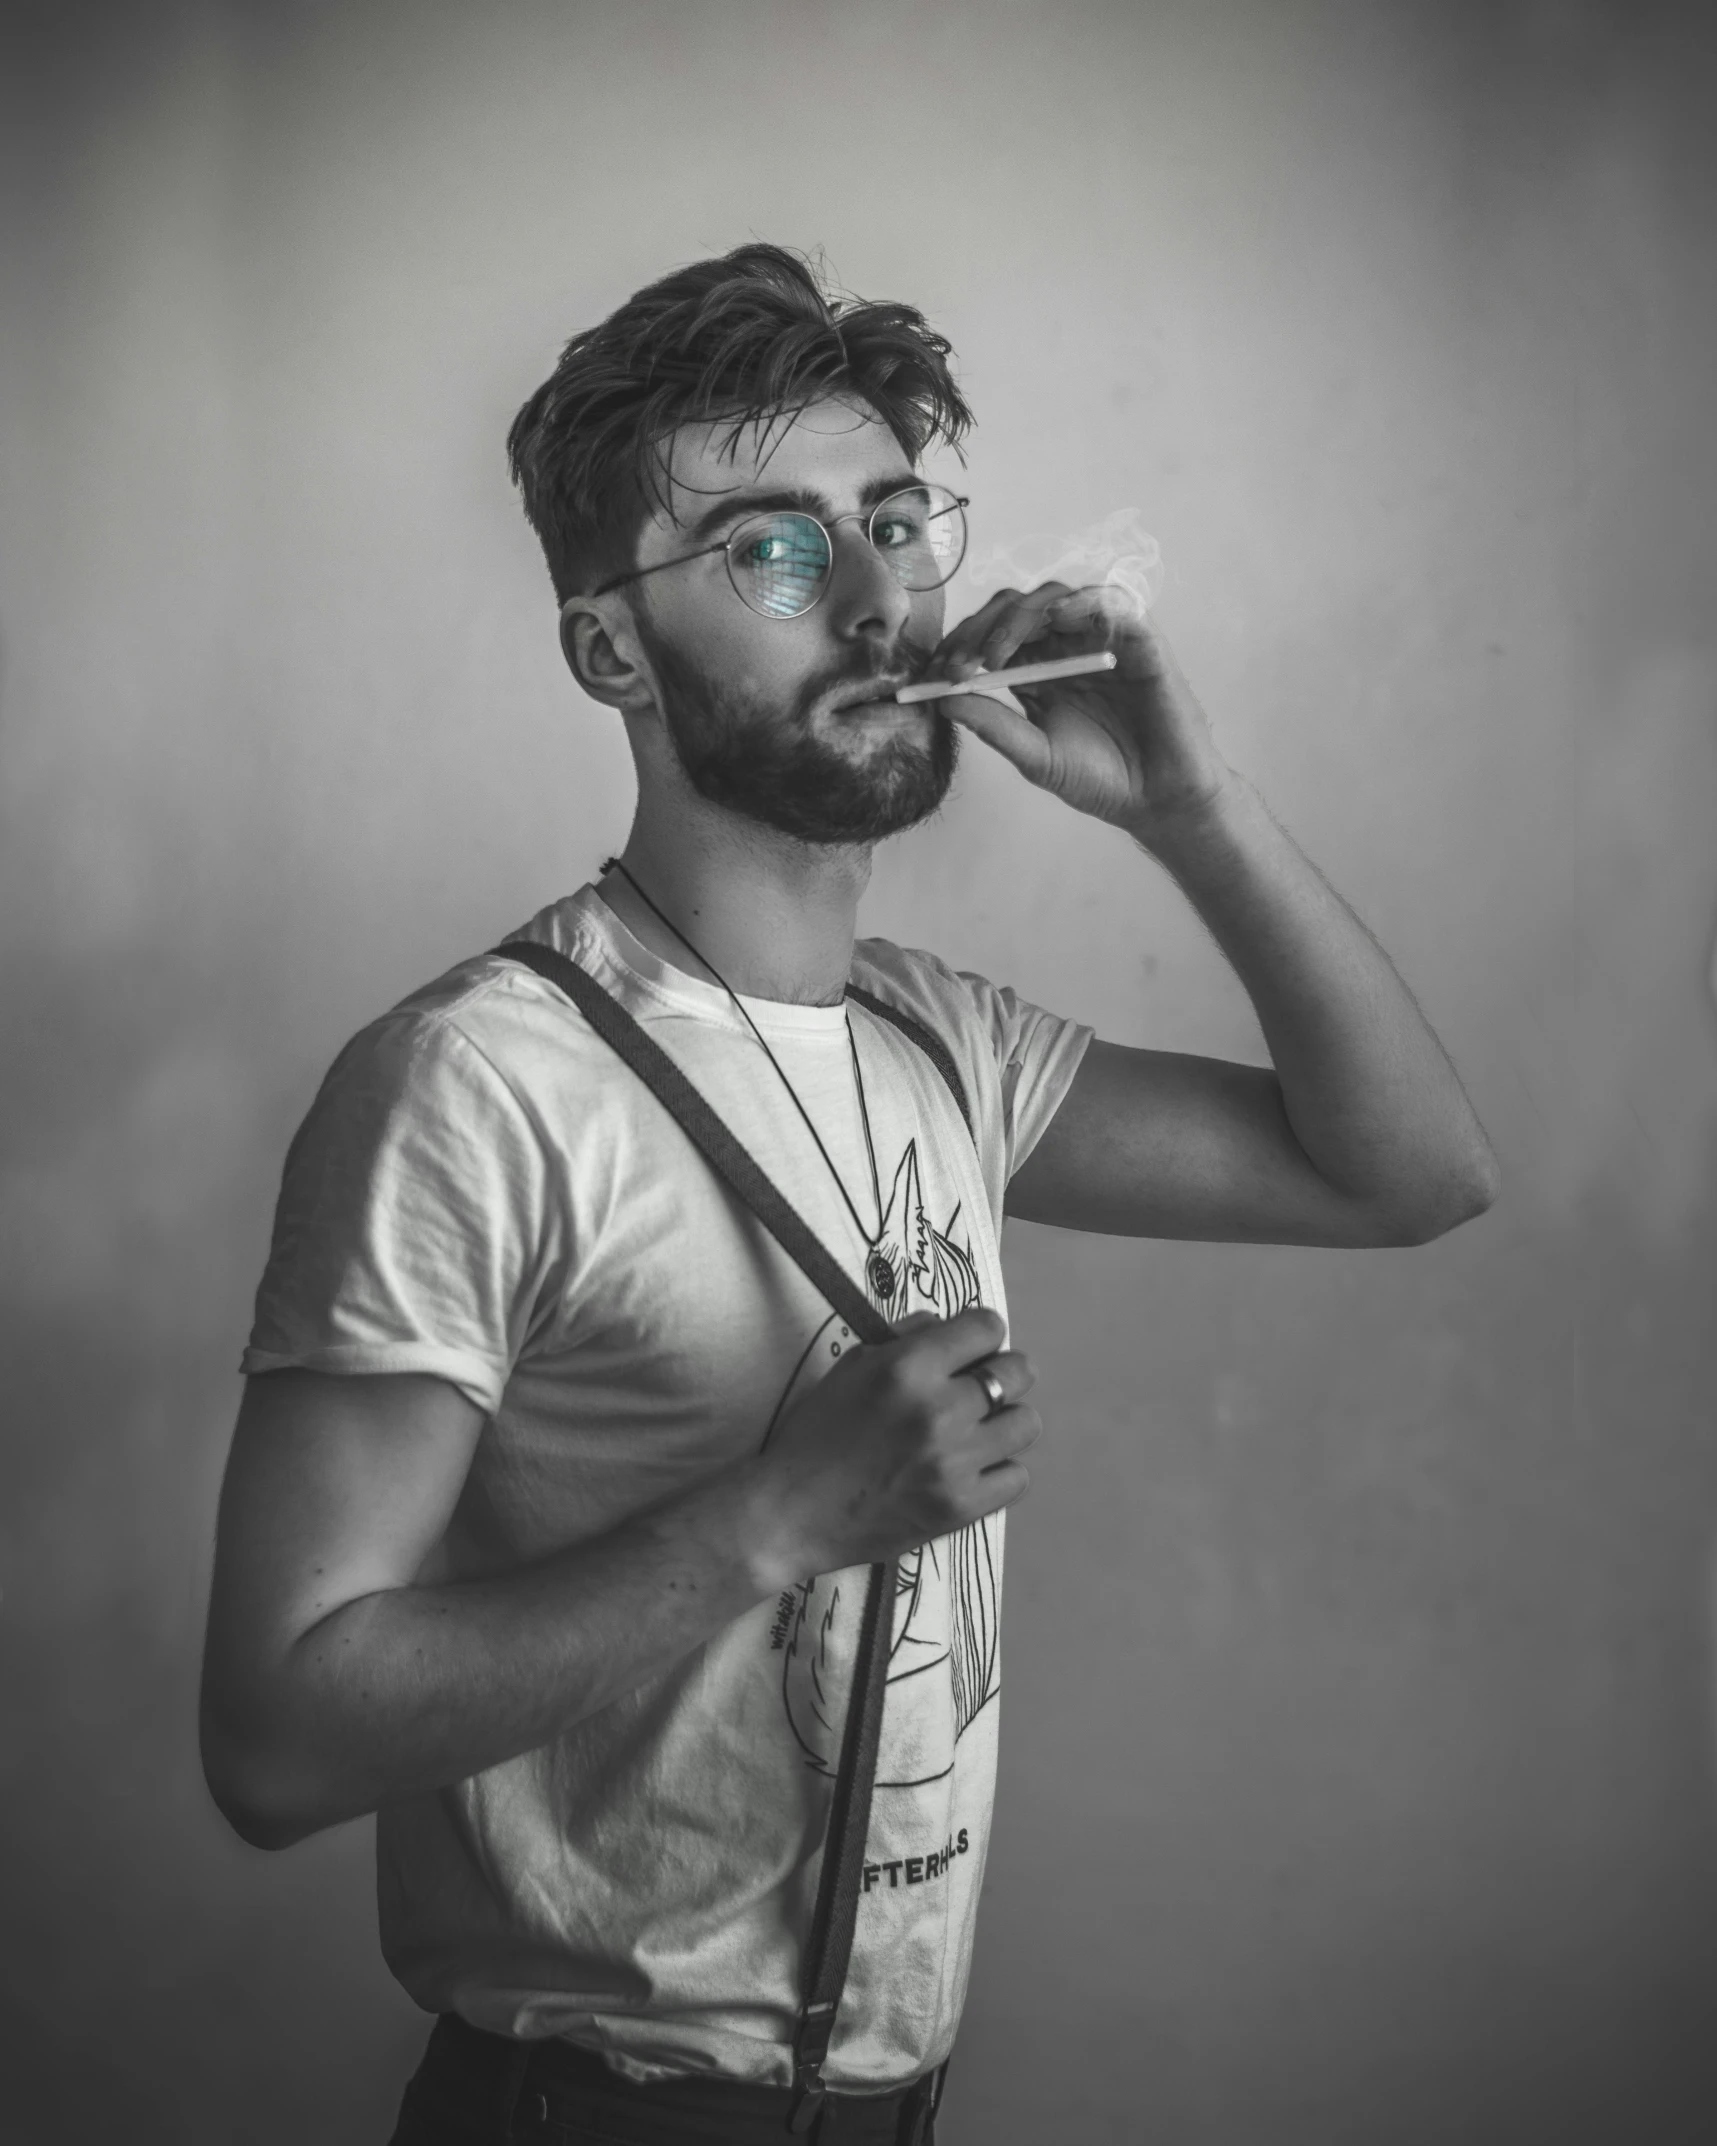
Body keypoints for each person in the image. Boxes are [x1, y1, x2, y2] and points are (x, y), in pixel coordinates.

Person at [199, 244, 1499, 2144]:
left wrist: (1191, 812)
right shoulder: (476, 1085)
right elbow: (272, 1739)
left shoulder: (932, 1039)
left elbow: (1409, 1174)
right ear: (611, 649)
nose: (883, 595)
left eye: (893, 520)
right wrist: (781, 1518)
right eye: (776, 549)